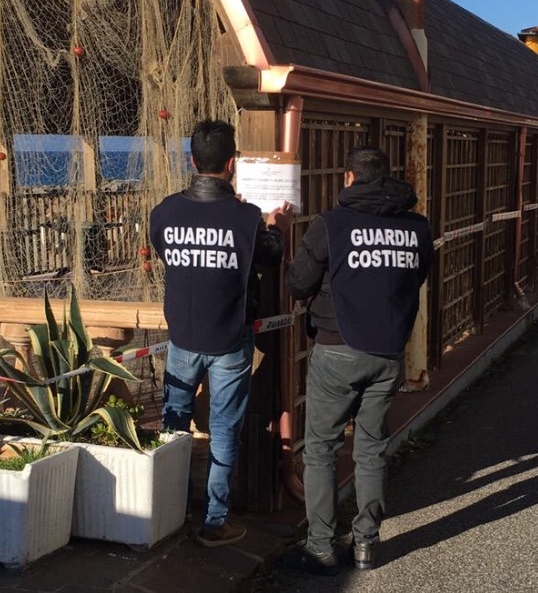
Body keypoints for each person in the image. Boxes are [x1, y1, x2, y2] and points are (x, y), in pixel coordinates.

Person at [285, 145, 433, 575]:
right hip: (388, 351)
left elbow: (297, 283)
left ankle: (320, 545)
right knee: (371, 450)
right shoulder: (417, 227)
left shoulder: (332, 224)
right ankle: (366, 542)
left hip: (336, 348)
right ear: (387, 178)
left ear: (349, 178)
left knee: (322, 450)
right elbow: (417, 275)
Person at [149, 118, 293, 548]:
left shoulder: (164, 212)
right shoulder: (247, 219)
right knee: (224, 429)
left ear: (191, 161)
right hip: (230, 338)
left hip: (181, 338)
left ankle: (168, 510)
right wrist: (276, 225)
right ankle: (214, 521)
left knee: (173, 424)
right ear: (231, 164)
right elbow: (271, 257)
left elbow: (166, 253)